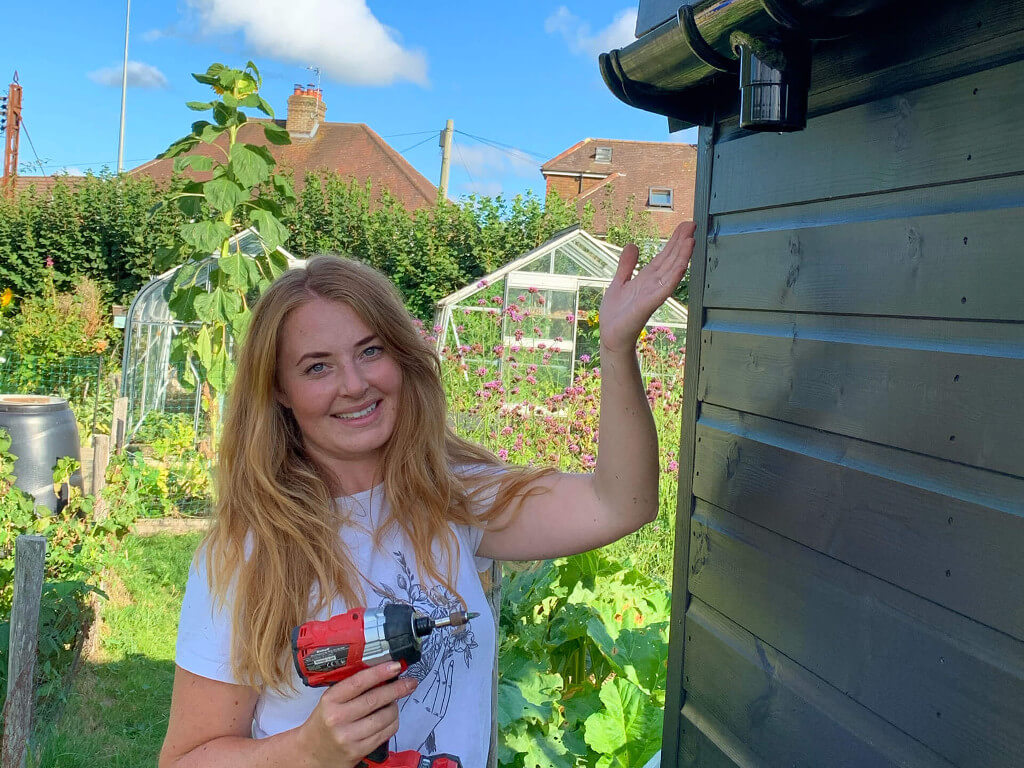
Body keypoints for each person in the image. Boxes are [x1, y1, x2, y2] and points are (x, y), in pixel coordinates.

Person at [158, 221, 696, 768]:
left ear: (401, 356)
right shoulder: (246, 554)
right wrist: (308, 750)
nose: (353, 384)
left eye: (370, 351)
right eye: (317, 366)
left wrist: (615, 347)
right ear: (279, 390)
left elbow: (622, 504)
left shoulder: (455, 498)